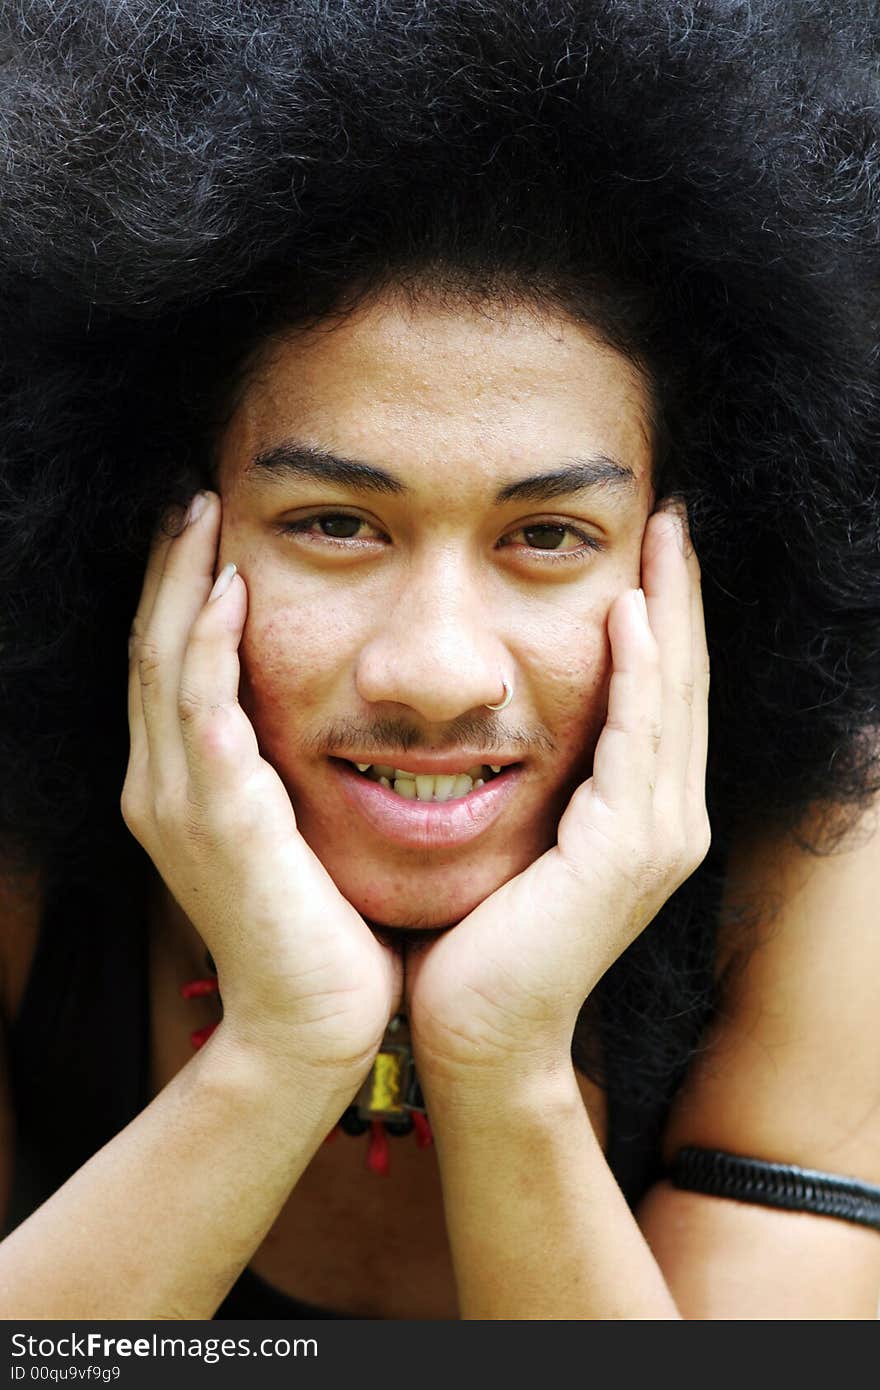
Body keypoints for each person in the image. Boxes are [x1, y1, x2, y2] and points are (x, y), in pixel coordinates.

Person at [0, 0, 878, 1320]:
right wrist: (284, 1047)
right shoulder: (23, 832)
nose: (438, 672)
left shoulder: (821, 856)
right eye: (336, 523)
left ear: (694, 557)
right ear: (153, 523)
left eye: (547, 534)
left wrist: (505, 1060)